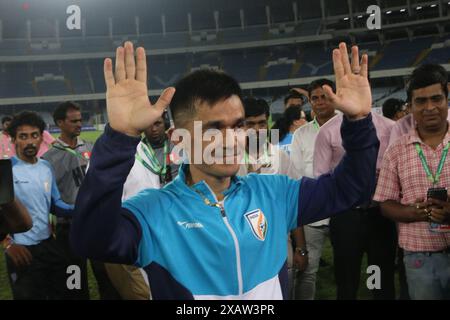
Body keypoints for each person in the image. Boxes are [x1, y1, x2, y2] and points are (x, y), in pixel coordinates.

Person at [71, 41, 379, 299]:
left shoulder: (273, 192)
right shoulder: (152, 212)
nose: (232, 139)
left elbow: (353, 188)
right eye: (214, 129)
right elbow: (91, 241)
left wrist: (359, 121)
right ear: (179, 140)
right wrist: (120, 137)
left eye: (238, 125)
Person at [374, 64, 450, 300]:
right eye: (421, 102)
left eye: (436, 99)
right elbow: (385, 203)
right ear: (410, 107)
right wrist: (413, 212)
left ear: (447, 97)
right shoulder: (396, 150)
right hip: (419, 256)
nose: (429, 108)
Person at [313, 92, 397, 300]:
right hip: (346, 216)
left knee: (378, 275)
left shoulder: (389, 127)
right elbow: (321, 177)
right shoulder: (327, 132)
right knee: (346, 278)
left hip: (380, 214)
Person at [42, 101, 120, 300]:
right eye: (73, 121)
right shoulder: (49, 158)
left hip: (97, 225)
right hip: (69, 228)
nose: (79, 124)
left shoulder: (92, 148)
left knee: (107, 278)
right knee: (74, 282)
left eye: (80, 120)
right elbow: (48, 198)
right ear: (60, 122)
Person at [105, 114, 179, 300]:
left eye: (158, 124)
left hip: (157, 233)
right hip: (127, 236)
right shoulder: (112, 155)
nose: (153, 129)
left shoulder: (145, 149)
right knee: (141, 293)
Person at [4, 111, 73, 300]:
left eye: (34, 135)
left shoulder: (45, 167)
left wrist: (81, 209)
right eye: (23, 137)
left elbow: (55, 204)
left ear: (41, 138)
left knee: (59, 293)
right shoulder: (6, 171)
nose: (30, 142)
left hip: (48, 245)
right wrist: (8, 244)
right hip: (22, 250)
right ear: (13, 140)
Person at [289, 78, 337, 300]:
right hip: (313, 213)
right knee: (308, 271)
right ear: (309, 102)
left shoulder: (349, 126)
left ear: (334, 97)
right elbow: (297, 176)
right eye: (314, 98)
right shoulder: (301, 134)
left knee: (348, 268)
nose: (320, 102)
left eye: (325, 96)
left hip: (343, 211)